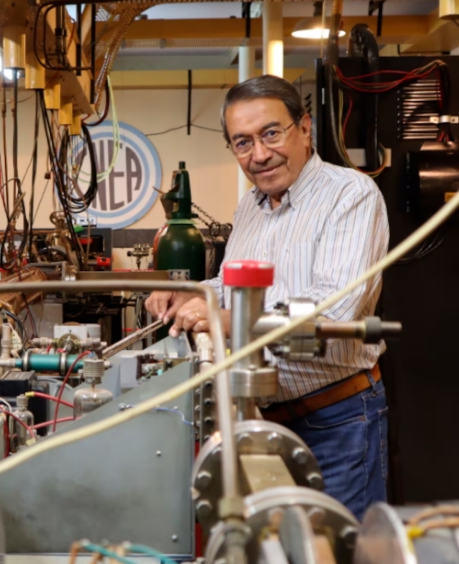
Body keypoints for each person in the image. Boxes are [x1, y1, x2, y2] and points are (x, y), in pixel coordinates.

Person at [145, 75, 390, 520]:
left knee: (337, 556)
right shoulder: (250, 207)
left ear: (305, 128)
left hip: (336, 420)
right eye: (242, 143)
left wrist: (225, 318)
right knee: (274, 552)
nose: (258, 154)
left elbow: (333, 312)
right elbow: (228, 283)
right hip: (261, 416)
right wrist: (186, 293)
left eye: (270, 133)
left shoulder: (350, 195)